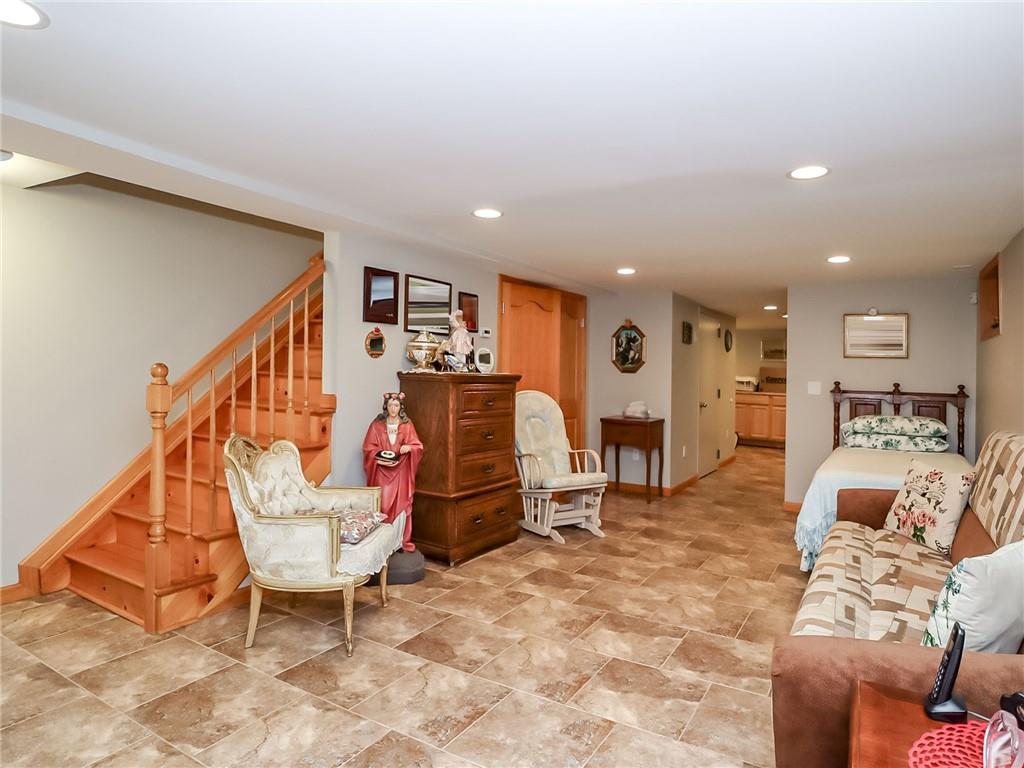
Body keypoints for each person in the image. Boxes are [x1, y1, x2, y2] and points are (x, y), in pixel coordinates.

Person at [361, 392, 423, 551]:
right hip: (382, 470)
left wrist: (409, 447)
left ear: (400, 407)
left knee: (401, 505)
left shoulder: (407, 425)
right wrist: (377, 455)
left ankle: (398, 541)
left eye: (396, 405)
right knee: (383, 503)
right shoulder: (377, 425)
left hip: (401, 471)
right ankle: (382, 543)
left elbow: (418, 446)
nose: (393, 408)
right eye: (390, 405)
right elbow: (368, 447)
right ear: (386, 407)